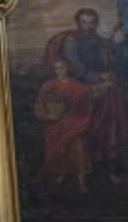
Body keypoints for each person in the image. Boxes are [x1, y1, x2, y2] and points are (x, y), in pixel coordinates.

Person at [45, 8, 128, 182]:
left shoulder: (97, 39)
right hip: (79, 87)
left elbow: (110, 48)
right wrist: (98, 77)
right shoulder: (71, 41)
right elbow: (75, 68)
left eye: (92, 23)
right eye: (84, 22)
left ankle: (107, 161)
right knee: (88, 121)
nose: (88, 26)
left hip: (102, 86)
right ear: (78, 23)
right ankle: (83, 165)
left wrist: (117, 41)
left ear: (95, 24)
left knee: (111, 110)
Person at [34, 58, 93, 193]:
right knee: (59, 151)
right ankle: (62, 173)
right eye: (56, 68)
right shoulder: (49, 85)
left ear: (68, 69)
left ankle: (81, 181)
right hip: (55, 123)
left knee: (78, 148)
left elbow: (87, 99)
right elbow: (39, 103)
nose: (59, 71)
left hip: (74, 122)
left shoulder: (77, 85)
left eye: (62, 68)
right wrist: (47, 116)